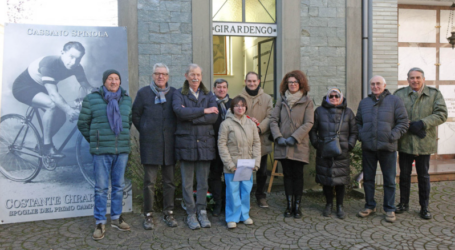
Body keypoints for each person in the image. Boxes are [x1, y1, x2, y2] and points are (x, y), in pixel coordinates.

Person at [77, 69, 132, 240]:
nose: (114, 82)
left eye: (117, 79)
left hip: (121, 150)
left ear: (120, 82)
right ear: (104, 81)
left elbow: (128, 122)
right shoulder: (92, 99)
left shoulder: (126, 100)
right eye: (110, 79)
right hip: (101, 152)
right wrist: (96, 140)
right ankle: (100, 222)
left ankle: (116, 218)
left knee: (118, 187)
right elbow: (82, 124)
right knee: (101, 188)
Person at [13, 41, 93, 158]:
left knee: (60, 117)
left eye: (78, 59)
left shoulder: (77, 67)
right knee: (51, 105)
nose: (74, 62)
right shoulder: (49, 64)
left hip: (41, 87)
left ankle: (40, 145)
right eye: (71, 57)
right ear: (62, 53)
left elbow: (87, 87)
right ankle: (47, 147)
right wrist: (69, 110)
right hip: (23, 87)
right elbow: (54, 95)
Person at [394, 67, 447, 220]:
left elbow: (442, 114)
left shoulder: (434, 94)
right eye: (412, 78)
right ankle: (403, 203)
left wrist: (423, 123)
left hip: (424, 142)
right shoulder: (399, 95)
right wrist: (410, 125)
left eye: (418, 77)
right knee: (404, 175)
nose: (415, 80)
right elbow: (393, 114)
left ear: (423, 79)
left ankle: (424, 207)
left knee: (423, 176)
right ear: (407, 79)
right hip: (405, 142)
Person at [356, 75, 409, 223]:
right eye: (372, 84)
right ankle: (369, 205)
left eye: (378, 84)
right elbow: (357, 122)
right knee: (368, 180)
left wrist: (392, 136)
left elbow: (403, 122)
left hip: (388, 147)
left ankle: (389, 208)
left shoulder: (395, 101)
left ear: (384, 85)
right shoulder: (364, 103)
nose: (375, 86)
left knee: (389, 180)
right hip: (369, 148)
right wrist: (362, 136)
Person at [172, 64, 219, 230]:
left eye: (198, 74)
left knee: (202, 182)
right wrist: (204, 110)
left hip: (205, 144)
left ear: (201, 76)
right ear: (186, 75)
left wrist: (191, 116)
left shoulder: (208, 94)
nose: (195, 78)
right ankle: (191, 213)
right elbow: (179, 112)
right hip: (186, 144)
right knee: (186, 182)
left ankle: (202, 211)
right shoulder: (179, 93)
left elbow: (213, 118)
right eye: (192, 74)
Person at [132, 63, 178, 229]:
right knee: (149, 182)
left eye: (164, 74)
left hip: (169, 145)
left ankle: (169, 212)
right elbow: (135, 115)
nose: (161, 77)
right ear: (152, 75)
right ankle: (148, 214)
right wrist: (145, 130)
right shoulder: (143, 93)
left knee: (169, 182)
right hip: (150, 144)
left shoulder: (174, 93)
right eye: (157, 74)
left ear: (167, 77)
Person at [270, 70, 313, 218]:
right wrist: (278, 137)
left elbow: (309, 123)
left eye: (295, 82)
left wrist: (294, 138)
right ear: (286, 84)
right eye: (290, 82)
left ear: (300, 84)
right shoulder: (281, 101)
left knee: (298, 175)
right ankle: (289, 205)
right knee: (287, 175)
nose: (293, 85)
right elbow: (273, 120)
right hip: (283, 145)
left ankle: (297, 206)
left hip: (298, 144)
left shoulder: (307, 101)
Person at [309, 88, 358, 219]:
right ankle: (328, 204)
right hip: (324, 151)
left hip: (342, 152)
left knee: (340, 181)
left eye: (337, 96)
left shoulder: (348, 112)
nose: (334, 98)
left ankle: (340, 206)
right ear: (327, 97)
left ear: (341, 97)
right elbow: (312, 130)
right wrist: (317, 144)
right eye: (331, 96)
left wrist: (350, 145)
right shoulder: (319, 112)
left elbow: (354, 131)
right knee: (326, 180)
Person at [217, 96, 261, 229]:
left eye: (242, 105)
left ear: (246, 107)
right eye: (237, 105)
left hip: (247, 163)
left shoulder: (251, 124)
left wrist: (256, 162)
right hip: (233, 165)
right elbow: (222, 145)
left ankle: (244, 215)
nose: (240, 108)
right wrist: (229, 164)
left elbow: (256, 144)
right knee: (232, 192)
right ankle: (232, 218)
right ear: (232, 108)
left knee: (246, 191)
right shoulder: (226, 124)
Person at [238, 71, 273, 208]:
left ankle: (260, 196)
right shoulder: (239, 97)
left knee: (262, 171)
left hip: (261, 139)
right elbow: (236, 115)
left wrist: (259, 128)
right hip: (244, 140)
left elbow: (270, 117)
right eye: (249, 81)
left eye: (254, 81)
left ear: (258, 82)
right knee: (244, 170)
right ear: (245, 82)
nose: (252, 83)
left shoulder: (267, 98)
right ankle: (243, 197)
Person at [208, 78, 232, 217]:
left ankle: (228, 203)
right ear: (214, 89)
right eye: (218, 87)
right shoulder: (209, 103)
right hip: (214, 145)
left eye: (224, 87)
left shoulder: (233, 103)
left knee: (230, 175)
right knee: (215, 175)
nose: (221, 89)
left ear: (227, 89)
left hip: (231, 147)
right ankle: (217, 203)